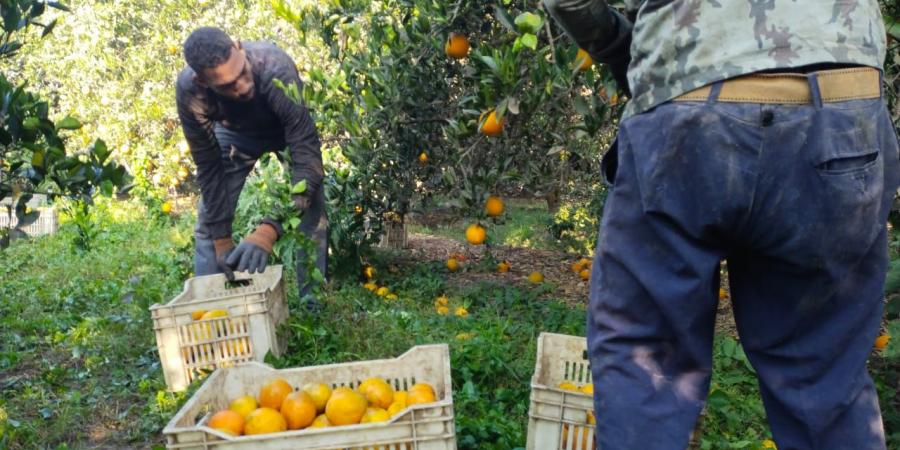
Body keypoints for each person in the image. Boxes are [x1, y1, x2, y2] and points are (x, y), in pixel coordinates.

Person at [545, 1, 898, 449]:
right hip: (843, 104)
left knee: (647, 363)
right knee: (824, 372)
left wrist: (621, 48)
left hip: (688, 95)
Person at [176, 27, 327, 308]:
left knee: (312, 210)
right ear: (202, 81)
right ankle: (211, 311)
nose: (243, 87)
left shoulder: (274, 67)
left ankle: (312, 305)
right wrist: (221, 238)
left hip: (287, 130)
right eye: (228, 86)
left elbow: (307, 159)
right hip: (236, 135)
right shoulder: (190, 91)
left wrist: (269, 230)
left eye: (242, 73)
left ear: (238, 47)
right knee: (208, 222)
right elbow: (209, 168)